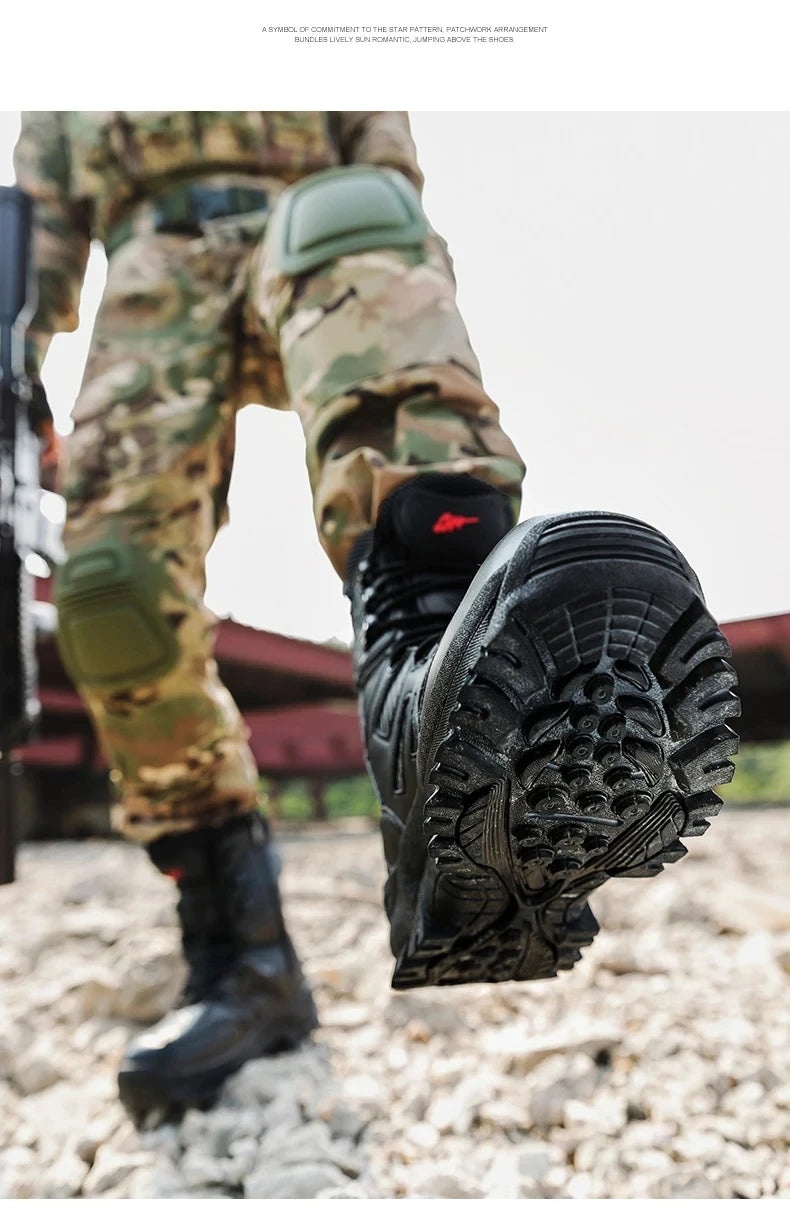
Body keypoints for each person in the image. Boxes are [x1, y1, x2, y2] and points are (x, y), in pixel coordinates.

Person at [14, 111, 739, 1117]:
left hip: (312, 225)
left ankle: (430, 683)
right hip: (146, 268)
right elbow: (40, 222)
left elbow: (380, 155)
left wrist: (393, 241)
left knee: (359, 222)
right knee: (110, 590)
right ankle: (240, 951)